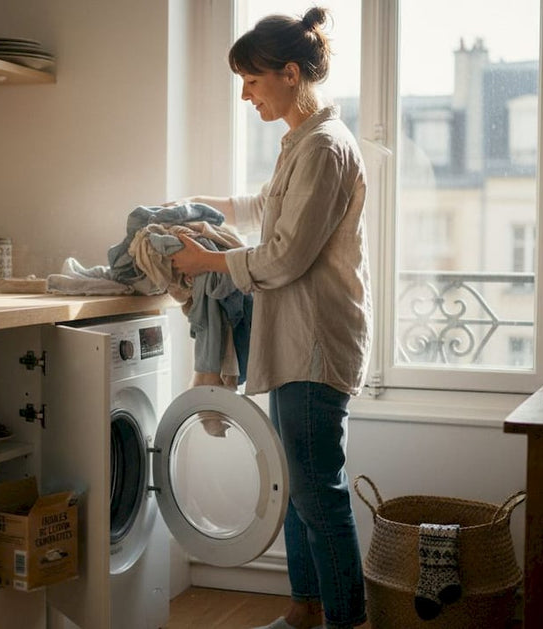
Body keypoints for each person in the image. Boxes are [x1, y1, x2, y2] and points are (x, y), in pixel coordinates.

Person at [169, 7, 371, 629]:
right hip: (291, 341)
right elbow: (263, 208)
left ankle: (345, 620)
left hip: (315, 343)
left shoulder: (326, 148)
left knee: (317, 494)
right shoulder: (301, 143)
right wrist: (192, 206)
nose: (245, 93)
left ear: (289, 73)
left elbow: (285, 256)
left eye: (252, 81)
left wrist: (209, 258)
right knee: (293, 487)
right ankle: (304, 611)